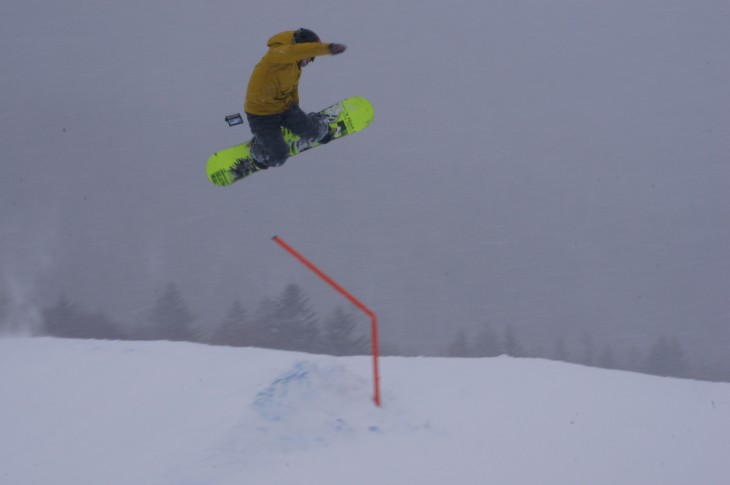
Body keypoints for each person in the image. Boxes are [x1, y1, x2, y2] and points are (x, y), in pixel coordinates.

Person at [244, 29, 347, 170]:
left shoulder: (295, 66)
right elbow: (296, 51)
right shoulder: (277, 55)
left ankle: (317, 126)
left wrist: (298, 117)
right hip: (261, 115)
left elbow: (292, 89)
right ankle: (257, 149)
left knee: (314, 132)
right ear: (301, 48)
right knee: (279, 156)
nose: (310, 61)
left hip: (285, 109)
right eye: (310, 57)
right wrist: (327, 48)